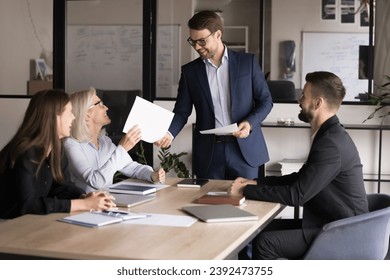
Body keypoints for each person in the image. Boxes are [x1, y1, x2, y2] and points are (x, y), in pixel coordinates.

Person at [230, 71, 369, 259]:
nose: (299, 100)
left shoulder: (330, 144)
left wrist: (245, 191)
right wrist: (256, 183)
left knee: (265, 243)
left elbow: (297, 195)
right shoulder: (329, 135)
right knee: (260, 228)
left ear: (318, 103)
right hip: (331, 222)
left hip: (342, 232)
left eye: (304, 95)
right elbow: (300, 179)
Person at [155, 10, 273, 180]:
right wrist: (169, 133)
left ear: (218, 34)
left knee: (247, 204)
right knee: (208, 203)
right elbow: (182, 111)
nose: (197, 47)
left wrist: (249, 123)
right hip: (209, 153)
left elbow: (266, 101)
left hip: (245, 151)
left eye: (202, 41)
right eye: (193, 41)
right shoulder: (190, 72)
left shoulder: (247, 63)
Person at [0, 89, 116, 219]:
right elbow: (28, 204)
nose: (73, 117)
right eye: (70, 112)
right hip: (7, 228)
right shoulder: (25, 151)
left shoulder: (56, 148)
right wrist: (82, 204)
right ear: (54, 116)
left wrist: (84, 197)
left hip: (31, 224)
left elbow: (62, 187)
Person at [63, 87, 165, 193]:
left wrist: (152, 175)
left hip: (106, 205)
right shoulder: (71, 145)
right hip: (83, 208)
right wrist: (122, 148)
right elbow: (96, 182)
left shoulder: (105, 142)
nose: (106, 108)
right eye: (100, 104)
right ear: (86, 113)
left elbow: (132, 168)